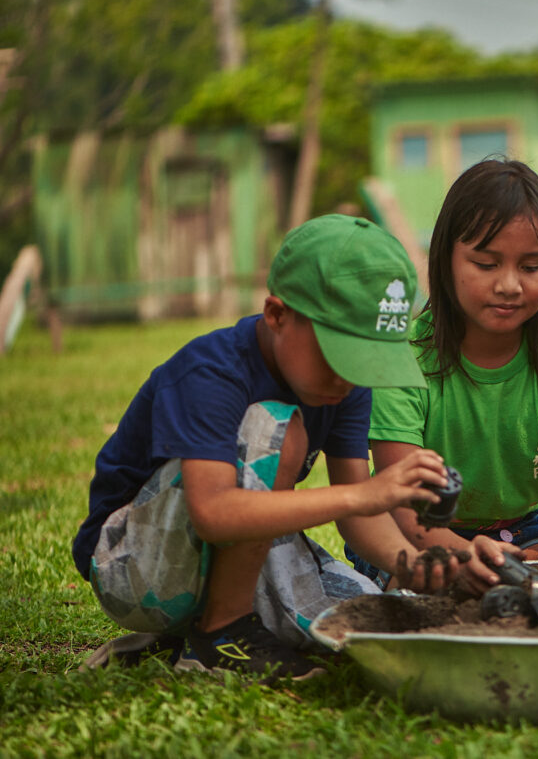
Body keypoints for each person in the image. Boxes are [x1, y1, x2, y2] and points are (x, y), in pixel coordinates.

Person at [74, 214, 480, 681]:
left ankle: (184, 635)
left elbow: (359, 516)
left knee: (366, 621)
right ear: (276, 314)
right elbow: (213, 512)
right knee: (277, 427)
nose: (347, 377)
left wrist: (412, 565)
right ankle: (219, 636)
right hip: (131, 566)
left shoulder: (342, 386)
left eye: (365, 359)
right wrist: (369, 493)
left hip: (240, 554)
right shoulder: (211, 372)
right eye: (336, 353)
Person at [345, 159, 538, 589]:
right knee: (426, 583)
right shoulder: (402, 356)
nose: (509, 285)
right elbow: (403, 504)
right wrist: (460, 553)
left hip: (526, 528)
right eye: (486, 264)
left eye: (532, 267)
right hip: (418, 530)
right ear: (445, 259)